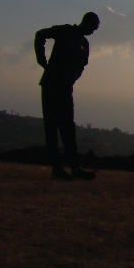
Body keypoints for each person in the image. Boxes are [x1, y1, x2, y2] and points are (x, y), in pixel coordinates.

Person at [35, 12, 100, 181]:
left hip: (65, 88)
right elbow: (40, 35)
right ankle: (56, 169)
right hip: (50, 85)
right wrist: (42, 62)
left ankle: (75, 168)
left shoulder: (84, 44)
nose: (93, 32)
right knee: (51, 128)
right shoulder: (65, 31)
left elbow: (82, 66)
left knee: (68, 129)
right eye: (92, 28)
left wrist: (73, 78)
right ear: (86, 22)